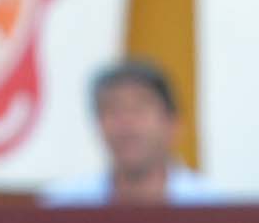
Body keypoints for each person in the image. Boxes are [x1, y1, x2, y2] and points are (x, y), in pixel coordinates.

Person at [40, 58, 224, 205]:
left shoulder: (209, 204)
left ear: (173, 125)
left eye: (139, 109)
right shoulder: (67, 204)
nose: (127, 122)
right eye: (113, 109)